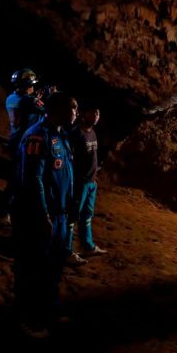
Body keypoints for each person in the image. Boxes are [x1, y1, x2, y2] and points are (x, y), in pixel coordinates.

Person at [12, 92, 77, 338]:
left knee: (53, 268)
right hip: (38, 215)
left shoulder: (61, 135)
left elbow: (65, 174)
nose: (76, 113)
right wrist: (43, 214)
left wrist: (69, 205)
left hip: (58, 214)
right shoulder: (37, 136)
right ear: (57, 110)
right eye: (73, 108)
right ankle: (27, 320)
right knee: (32, 268)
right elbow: (33, 178)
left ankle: (49, 310)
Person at [0, 68, 46, 225]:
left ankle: (7, 211)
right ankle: (3, 212)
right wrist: (40, 99)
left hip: (19, 141)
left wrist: (34, 99)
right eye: (32, 85)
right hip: (23, 143)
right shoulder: (26, 100)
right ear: (28, 85)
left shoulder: (12, 98)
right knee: (20, 180)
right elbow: (45, 110)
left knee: (19, 179)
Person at [65, 106, 107, 266]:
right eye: (93, 112)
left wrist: (94, 176)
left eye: (98, 113)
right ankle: (66, 251)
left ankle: (87, 246)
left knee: (86, 216)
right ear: (84, 114)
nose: (96, 116)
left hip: (91, 182)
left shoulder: (92, 133)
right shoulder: (76, 134)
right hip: (80, 183)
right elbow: (70, 159)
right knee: (72, 217)